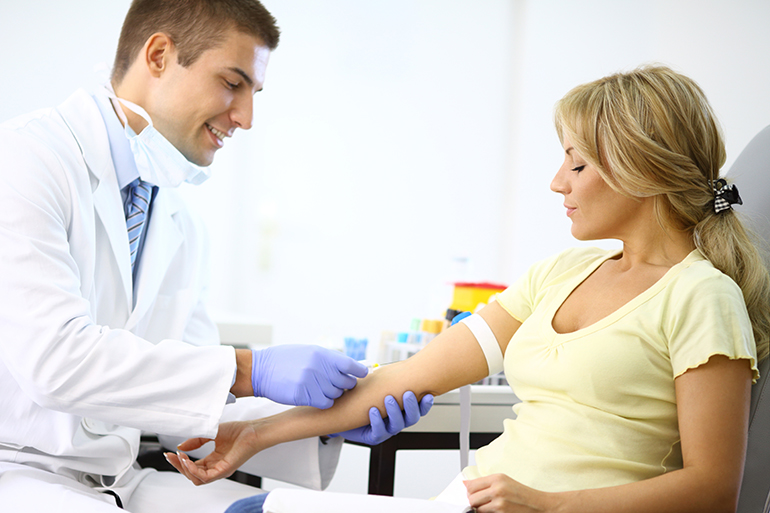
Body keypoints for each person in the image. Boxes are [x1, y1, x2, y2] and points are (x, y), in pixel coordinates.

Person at [168, 64, 769, 513]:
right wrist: (253, 434)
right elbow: (406, 379)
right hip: (466, 501)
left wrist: (548, 504)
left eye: (577, 164)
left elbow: (713, 490)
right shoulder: (560, 273)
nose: (557, 182)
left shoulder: (702, 297)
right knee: (249, 509)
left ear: (644, 171)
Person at [0, 1, 432, 512]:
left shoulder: (176, 215)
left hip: (119, 481)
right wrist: (250, 368)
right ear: (159, 55)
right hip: (18, 474)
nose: (246, 118)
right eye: (232, 83)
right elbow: (57, 363)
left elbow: (183, 409)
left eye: (254, 92)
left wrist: (328, 421)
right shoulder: (25, 163)